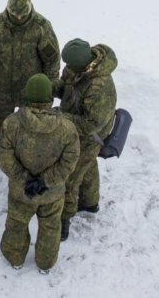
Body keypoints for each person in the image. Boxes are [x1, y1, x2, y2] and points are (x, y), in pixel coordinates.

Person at [0, 74, 80, 274]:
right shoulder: (67, 128)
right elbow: (70, 160)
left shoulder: (11, 124)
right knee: (51, 228)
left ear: (27, 97)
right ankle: (45, 264)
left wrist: (26, 180)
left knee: (16, 225)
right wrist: (45, 181)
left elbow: (4, 156)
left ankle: (15, 258)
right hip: (52, 193)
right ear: (50, 98)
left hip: (21, 192)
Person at [0, 0, 60, 175]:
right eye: (16, 14)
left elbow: (52, 60)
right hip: (2, 88)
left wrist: (50, 90)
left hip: (31, 90)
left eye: (23, 13)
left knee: (31, 125)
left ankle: (27, 157)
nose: (20, 17)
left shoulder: (41, 27)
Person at [52, 38, 117, 241]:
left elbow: (91, 124)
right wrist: (50, 87)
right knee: (87, 166)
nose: (67, 68)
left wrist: (60, 117)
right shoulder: (76, 68)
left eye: (70, 64)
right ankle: (90, 202)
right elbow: (67, 88)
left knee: (70, 177)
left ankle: (63, 219)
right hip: (76, 127)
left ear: (82, 63)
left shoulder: (100, 86)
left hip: (89, 136)